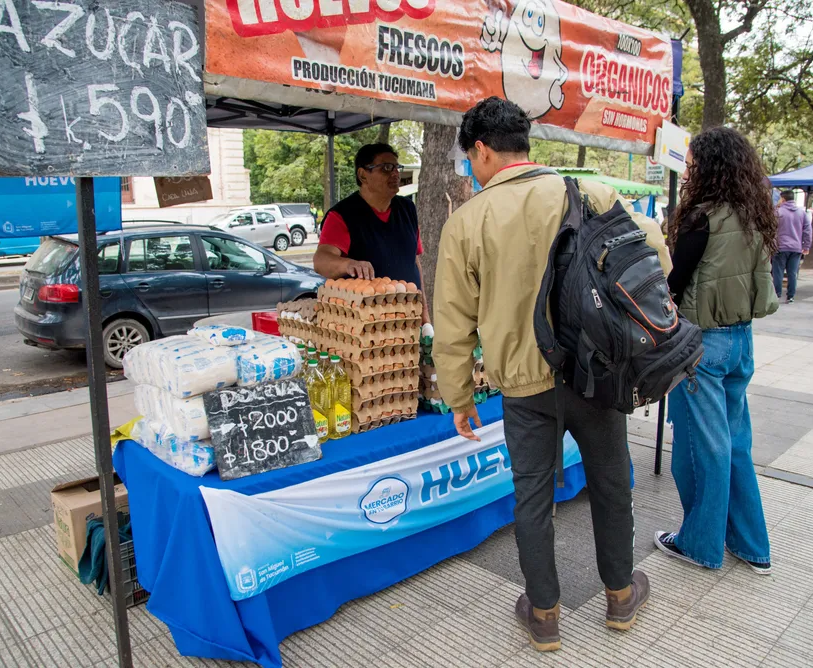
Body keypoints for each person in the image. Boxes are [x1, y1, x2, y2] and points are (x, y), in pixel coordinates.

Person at [432, 97, 671, 651]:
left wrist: (459, 397)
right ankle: (620, 599)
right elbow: (654, 255)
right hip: (597, 375)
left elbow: (453, 323)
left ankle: (543, 616)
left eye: (470, 157)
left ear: (482, 150)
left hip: (524, 388)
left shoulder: (467, 222)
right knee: (611, 486)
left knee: (532, 497)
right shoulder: (589, 193)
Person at [655, 127, 779, 575]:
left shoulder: (701, 217)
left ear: (707, 168)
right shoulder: (754, 213)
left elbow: (674, 285)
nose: (687, 171)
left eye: (691, 164)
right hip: (742, 341)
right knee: (735, 444)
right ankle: (752, 546)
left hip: (703, 346)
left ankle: (700, 545)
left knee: (702, 450)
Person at [313, 143, 429, 322]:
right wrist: (348, 264)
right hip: (366, 326)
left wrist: (425, 315)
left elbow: (415, 262)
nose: (395, 174)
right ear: (363, 175)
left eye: (397, 167)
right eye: (386, 168)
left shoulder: (407, 209)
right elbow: (320, 261)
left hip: (408, 319)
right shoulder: (342, 215)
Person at [772, 190, 812, 304]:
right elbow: (808, 230)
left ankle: (777, 294)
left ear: (783, 199)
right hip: (796, 248)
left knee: (778, 272)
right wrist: (806, 246)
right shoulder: (801, 213)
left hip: (780, 247)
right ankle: (790, 296)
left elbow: (771, 229)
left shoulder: (777, 212)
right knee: (792, 273)